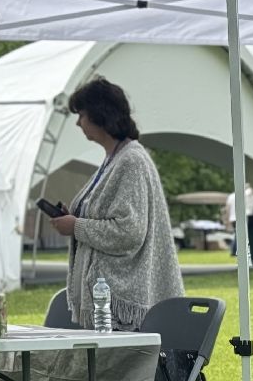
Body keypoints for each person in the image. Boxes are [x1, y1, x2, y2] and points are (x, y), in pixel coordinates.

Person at [47, 77, 183, 329]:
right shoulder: (116, 158)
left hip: (122, 304)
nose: (78, 123)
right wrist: (75, 219)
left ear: (101, 115)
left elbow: (129, 232)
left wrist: (76, 226)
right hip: (107, 301)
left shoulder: (131, 161)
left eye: (82, 115)